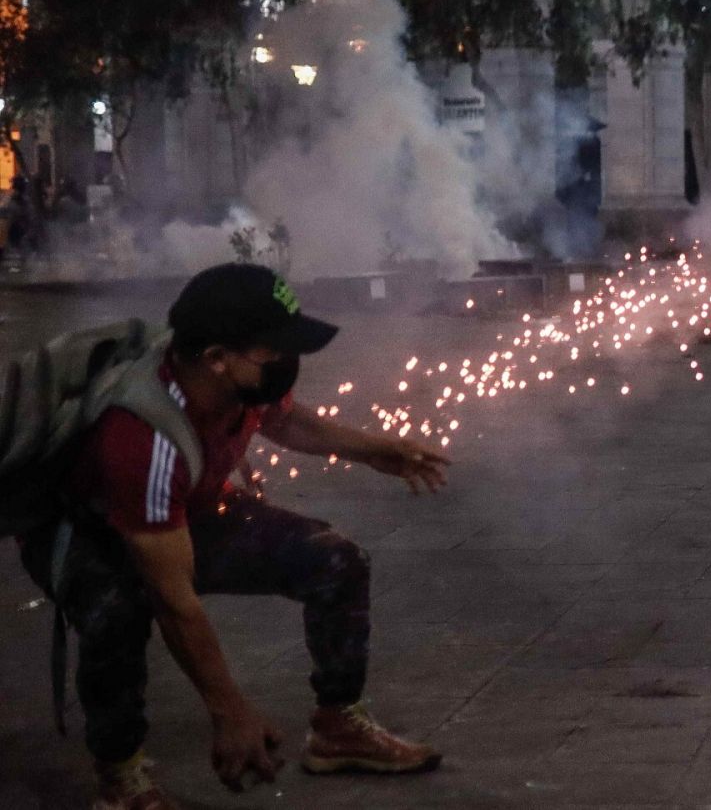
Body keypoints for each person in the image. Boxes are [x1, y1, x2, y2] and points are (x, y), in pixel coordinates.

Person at [15, 263, 452, 809]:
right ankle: (120, 774)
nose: (287, 363)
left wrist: (373, 449)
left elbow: (285, 422)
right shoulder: (144, 437)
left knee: (334, 559)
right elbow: (177, 604)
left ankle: (338, 727)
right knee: (118, 613)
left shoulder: (240, 383)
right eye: (273, 352)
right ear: (217, 358)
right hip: (91, 531)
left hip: (186, 506)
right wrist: (230, 712)